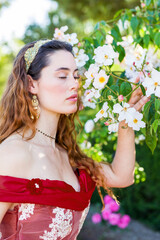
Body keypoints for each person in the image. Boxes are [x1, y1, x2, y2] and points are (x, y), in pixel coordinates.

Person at [0, 39, 150, 240]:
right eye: (62, 76)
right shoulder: (14, 153)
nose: (74, 84)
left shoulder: (67, 154)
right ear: (31, 84)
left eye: (76, 75)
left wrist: (126, 121)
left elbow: (122, 177)